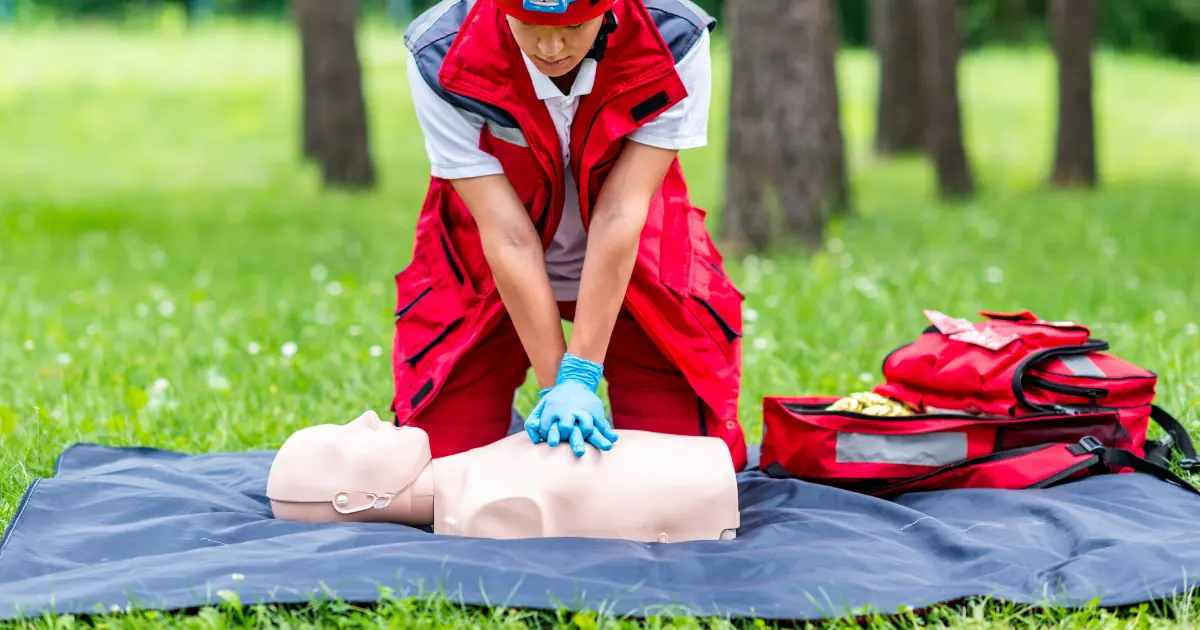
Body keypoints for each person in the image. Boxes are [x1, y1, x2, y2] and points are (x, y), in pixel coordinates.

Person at [392, 0, 747, 471]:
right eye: (531, 26)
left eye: (574, 26)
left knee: (690, 475)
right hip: (483, 275)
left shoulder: (674, 36)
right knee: (436, 473)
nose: (552, 46)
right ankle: (507, 425)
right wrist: (554, 386)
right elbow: (508, 235)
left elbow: (621, 211)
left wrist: (579, 376)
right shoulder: (439, 53)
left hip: (636, 268)